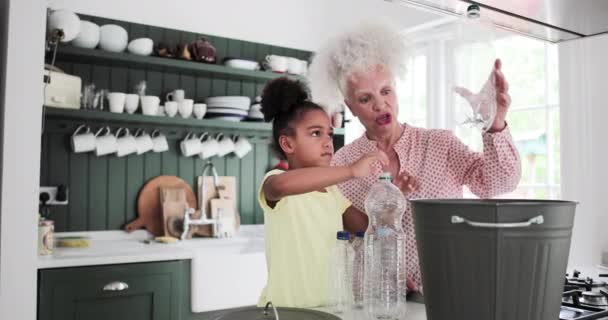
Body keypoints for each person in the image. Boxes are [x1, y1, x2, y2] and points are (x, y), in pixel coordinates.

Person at [307, 22, 522, 293]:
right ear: (350, 106)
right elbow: (345, 239)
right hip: (377, 301)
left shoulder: (440, 144)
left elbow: (499, 183)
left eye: (386, 91)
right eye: (365, 98)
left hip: (446, 290)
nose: (380, 104)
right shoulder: (342, 164)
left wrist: (495, 121)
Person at [257, 77, 389, 307]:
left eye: (329, 133)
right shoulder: (276, 182)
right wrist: (350, 170)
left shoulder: (332, 192)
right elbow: (282, 187)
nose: (328, 142)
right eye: (316, 133)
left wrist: (392, 196)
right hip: (288, 313)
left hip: (332, 311)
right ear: (288, 144)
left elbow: (367, 229)